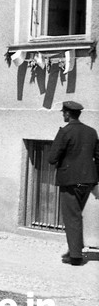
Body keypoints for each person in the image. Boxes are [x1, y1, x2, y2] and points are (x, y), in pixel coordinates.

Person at [48, 100, 99, 266]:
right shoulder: (92, 132)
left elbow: (52, 158)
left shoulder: (65, 132)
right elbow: (98, 158)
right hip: (87, 182)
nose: (63, 115)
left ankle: (76, 257)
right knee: (76, 215)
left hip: (71, 181)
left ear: (68, 114)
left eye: (63, 112)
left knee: (72, 217)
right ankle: (74, 248)